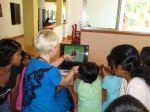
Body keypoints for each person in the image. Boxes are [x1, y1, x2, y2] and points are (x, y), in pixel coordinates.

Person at [22, 30, 78, 112]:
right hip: (46, 109)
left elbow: (45, 68)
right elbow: (64, 81)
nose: (58, 47)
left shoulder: (32, 62)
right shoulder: (51, 71)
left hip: (28, 108)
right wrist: (73, 70)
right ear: (52, 49)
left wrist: (62, 58)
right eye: (57, 46)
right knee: (65, 91)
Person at [108, 44, 150, 111]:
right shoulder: (125, 78)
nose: (111, 68)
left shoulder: (136, 85)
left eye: (112, 64)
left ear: (120, 68)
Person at [0, 39, 22, 112]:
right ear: (9, 56)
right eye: (18, 54)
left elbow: (14, 91)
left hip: (3, 103)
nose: (21, 57)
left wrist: (13, 110)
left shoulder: (17, 68)